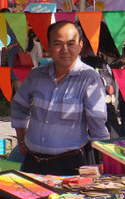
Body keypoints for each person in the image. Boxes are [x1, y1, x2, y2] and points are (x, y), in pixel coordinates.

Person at [11, 21, 110, 175]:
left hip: (69, 166)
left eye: (71, 44)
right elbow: (18, 106)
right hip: (32, 164)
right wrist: (21, 137)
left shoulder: (89, 78)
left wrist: (108, 163)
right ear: (48, 46)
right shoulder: (36, 76)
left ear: (80, 45)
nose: (65, 50)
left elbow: (97, 125)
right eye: (58, 44)